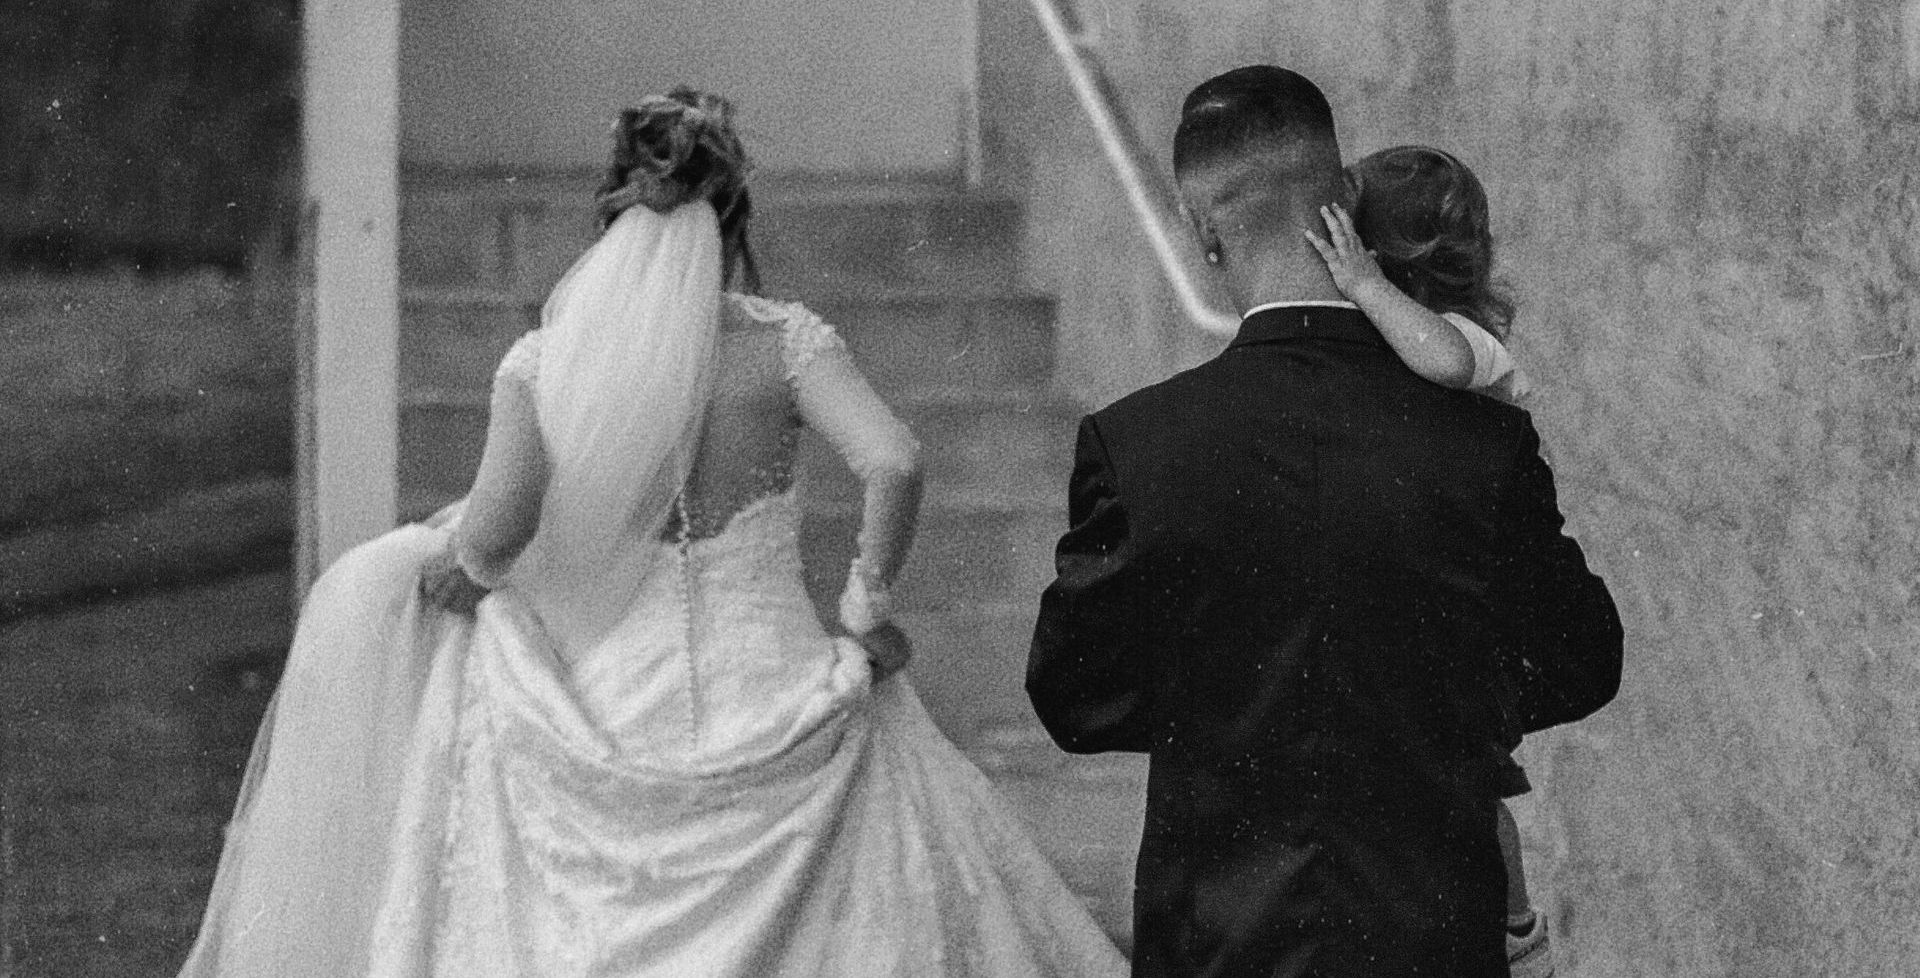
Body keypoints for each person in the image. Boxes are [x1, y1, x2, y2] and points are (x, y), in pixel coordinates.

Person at [178, 88, 1127, 978]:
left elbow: (500, 525)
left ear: (613, 211)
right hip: (776, 682)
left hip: (604, 693)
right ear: (734, 214)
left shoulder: (547, 361)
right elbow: (893, 460)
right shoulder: (787, 342)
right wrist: (866, 609)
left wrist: (461, 569)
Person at [1026, 66, 1623, 978]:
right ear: (1344, 197)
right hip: (1432, 937)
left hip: (1219, 941)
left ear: (1201, 235)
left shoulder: (1139, 445)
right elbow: (1582, 658)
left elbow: (1075, 696)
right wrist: (1429, 703)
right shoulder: (1480, 438)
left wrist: (1236, 699)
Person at [1305, 145, 1552, 977]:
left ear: (1390, 264)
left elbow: (1442, 361)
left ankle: (1518, 927)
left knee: (1480, 788)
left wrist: (1363, 288)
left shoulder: (1470, 344)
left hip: (1468, 601)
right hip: (1425, 593)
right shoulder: (1398, 341)